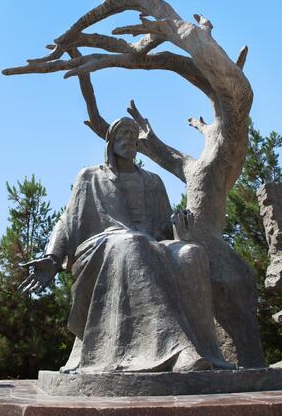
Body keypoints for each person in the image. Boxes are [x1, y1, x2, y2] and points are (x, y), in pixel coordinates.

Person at [20, 117, 232, 373]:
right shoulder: (90, 177)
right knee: (134, 242)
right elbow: (68, 219)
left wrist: (181, 234)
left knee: (191, 253)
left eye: (133, 133)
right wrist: (53, 257)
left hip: (149, 245)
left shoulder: (154, 181)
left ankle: (206, 352)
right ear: (110, 140)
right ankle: (176, 350)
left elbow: (164, 230)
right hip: (101, 247)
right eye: (123, 132)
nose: (129, 137)